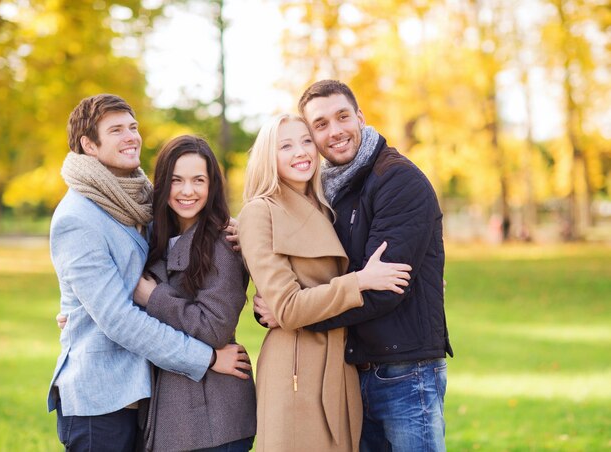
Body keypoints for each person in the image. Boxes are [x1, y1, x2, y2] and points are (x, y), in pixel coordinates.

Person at [256, 80, 453, 451]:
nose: (335, 131)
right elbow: (314, 272)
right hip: (351, 370)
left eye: (342, 117)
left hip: (405, 372)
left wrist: (294, 313)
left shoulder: (397, 180)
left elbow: (383, 289)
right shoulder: (329, 190)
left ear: (360, 117)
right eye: (321, 124)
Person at [48, 94, 249, 451]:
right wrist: (208, 357)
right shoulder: (78, 217)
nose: (131, 137)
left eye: (133, 127)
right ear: (89, 145)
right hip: (102, 401)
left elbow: (191, 223)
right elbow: (118, 319)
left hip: (146, 400)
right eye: (116, 130)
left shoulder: (135, 205)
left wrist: (234, 226)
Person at [238, 114, 412, 452]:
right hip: (296, 372)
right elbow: (287, 308)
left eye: (306, 141)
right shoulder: (260, 212)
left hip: (339, 365)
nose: (301, 152)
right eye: (285, 145)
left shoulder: (327, 206)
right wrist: (359, 282)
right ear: (267, 156)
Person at [132, 135, 256, 451]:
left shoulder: (221, 243)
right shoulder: (157, 238)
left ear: (212, 185)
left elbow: (214, 328)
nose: (188, 191)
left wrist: (154, 297)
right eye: (177, 180)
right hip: (176, 412)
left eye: (198, 180)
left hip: (213, 417)